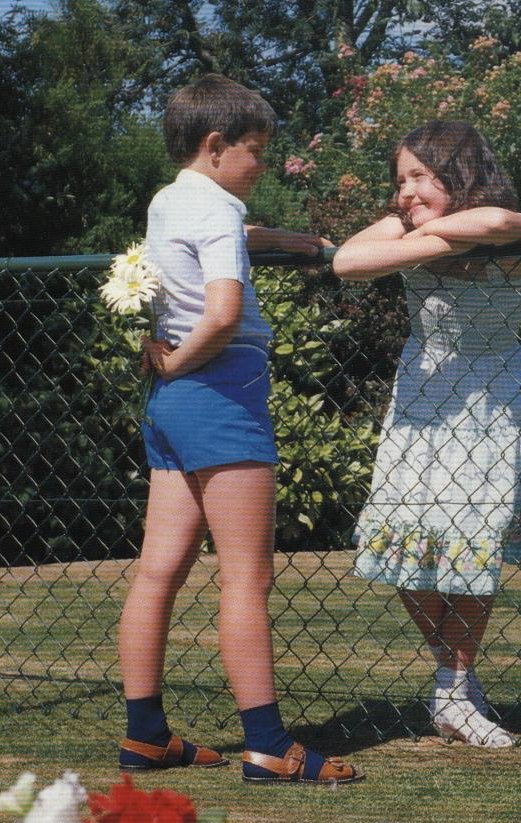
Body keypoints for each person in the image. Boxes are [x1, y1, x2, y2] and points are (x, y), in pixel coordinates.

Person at [116, 73, 362, 785]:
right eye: (256, 150)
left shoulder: (168, 202)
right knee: (247, 578)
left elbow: (223, 243)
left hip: (171, 413)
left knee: (157, 572)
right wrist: (182, 363)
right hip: (220, 393)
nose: (264, 164)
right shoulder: (219, 206)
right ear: (215, 145)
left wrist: (291, 240)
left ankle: (146, 736)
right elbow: (222, 313)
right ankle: (269, 744)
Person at [332, 120, 521, 748]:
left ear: (461, 172)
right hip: (421, 399)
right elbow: (346, 261)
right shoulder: (410, 228)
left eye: (421, 175)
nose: (407, 192)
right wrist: (425, 238)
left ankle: (453, 688)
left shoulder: (497, 221)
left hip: (493, 396)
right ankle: (456, 686)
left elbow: (510, 225)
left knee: (475, 535)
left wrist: (422, 237)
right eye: (401, 180)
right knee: (412, 540)